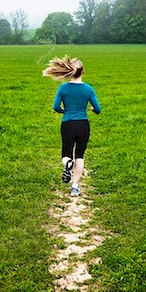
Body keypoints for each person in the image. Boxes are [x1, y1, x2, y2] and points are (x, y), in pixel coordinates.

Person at [42, 55, 101, 197]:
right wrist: (92, 110)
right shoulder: (88, 89)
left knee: (66, 153)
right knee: (79, 155)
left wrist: (65, 111)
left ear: (68, 71)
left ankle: (68, 163)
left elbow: (56, 107)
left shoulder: (63, 88)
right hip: (83, 125)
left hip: (68, 124)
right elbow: (97, 109)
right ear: (83, 71)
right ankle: (75, 187)